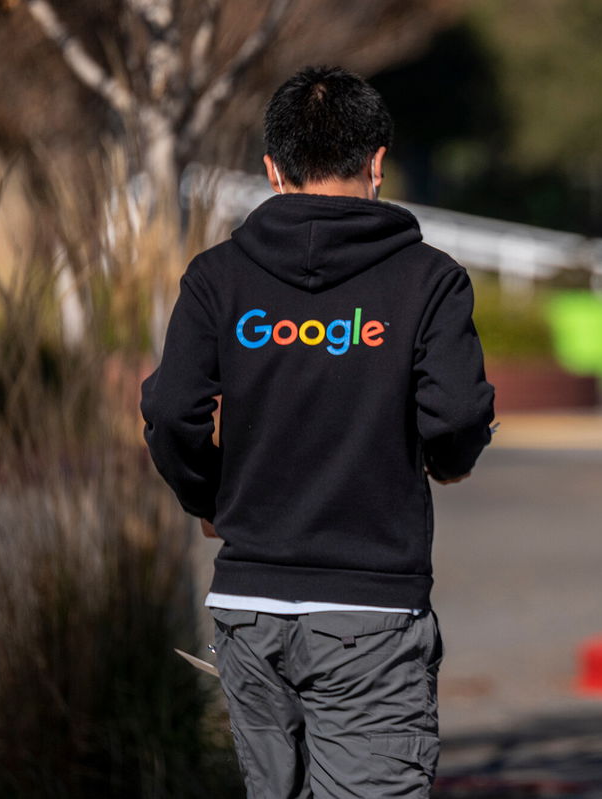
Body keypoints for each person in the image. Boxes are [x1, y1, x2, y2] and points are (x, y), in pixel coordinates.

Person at [141, 65, 495, 798]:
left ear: (272, 169)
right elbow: (458, 412)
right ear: (377, 162)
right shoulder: (427, 281)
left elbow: (172, 408)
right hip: (368, 609)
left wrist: (210, 498)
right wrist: (449, 459)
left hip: (249, 608)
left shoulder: (218, 278)